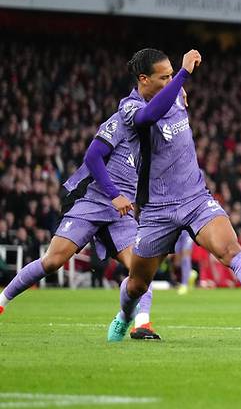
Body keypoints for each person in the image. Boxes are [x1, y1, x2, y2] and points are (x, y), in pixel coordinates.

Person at [107, 48, 241, 342]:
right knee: (137, 284)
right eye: (165, 77)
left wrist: (177, 85)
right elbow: (150, 115)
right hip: (157, 209)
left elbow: (171, 102)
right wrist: (183, 75)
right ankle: (124, 317)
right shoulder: (129, 109)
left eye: (173, 74)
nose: (172, 80)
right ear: (143, 79)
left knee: (230, 250)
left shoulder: (177, 96)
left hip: (196, 198)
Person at [0, 111, 160, 340]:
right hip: (92, 203)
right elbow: (92, 158)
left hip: (120, 213)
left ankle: (137, 322)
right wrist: (115, 194)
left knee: (141, 268)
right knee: (52, 261)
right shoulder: (124, 119)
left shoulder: (156, 139)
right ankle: (1, 301)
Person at [174, 229, 197, 294]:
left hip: (187, 230)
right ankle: (190, 274)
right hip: (176, 230)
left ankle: (184, 284)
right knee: (177, 262)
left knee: (185, 256)